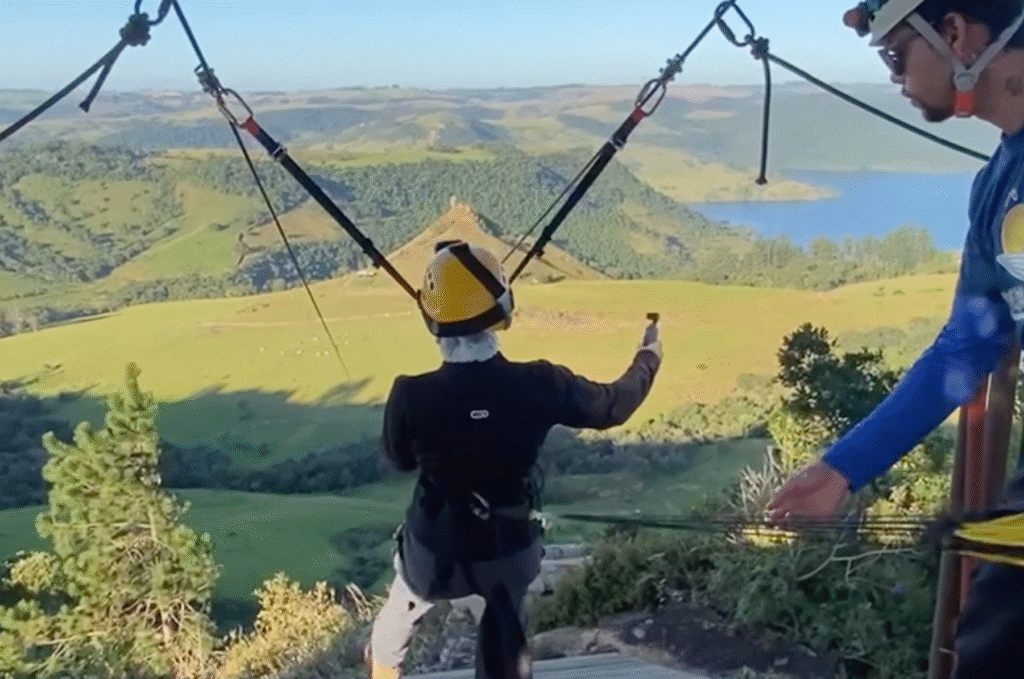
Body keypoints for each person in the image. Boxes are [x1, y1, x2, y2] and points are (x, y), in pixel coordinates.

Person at [766, 1, 1024, 675]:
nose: (894, 78)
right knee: (992, 646)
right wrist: (841, 468)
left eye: (894, 55)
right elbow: (964, 348)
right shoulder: (997, 187)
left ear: (956, 33)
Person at [364, 239, 663, 679]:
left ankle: (382, 669)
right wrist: (648, 358)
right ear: (502, 310)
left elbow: (401, 460)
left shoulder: (411, 393)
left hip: (433, 550)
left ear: (432, 320)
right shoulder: (541, 383)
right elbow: (614, 405)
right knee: (504, 622)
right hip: (506, 548)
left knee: (400, 610)